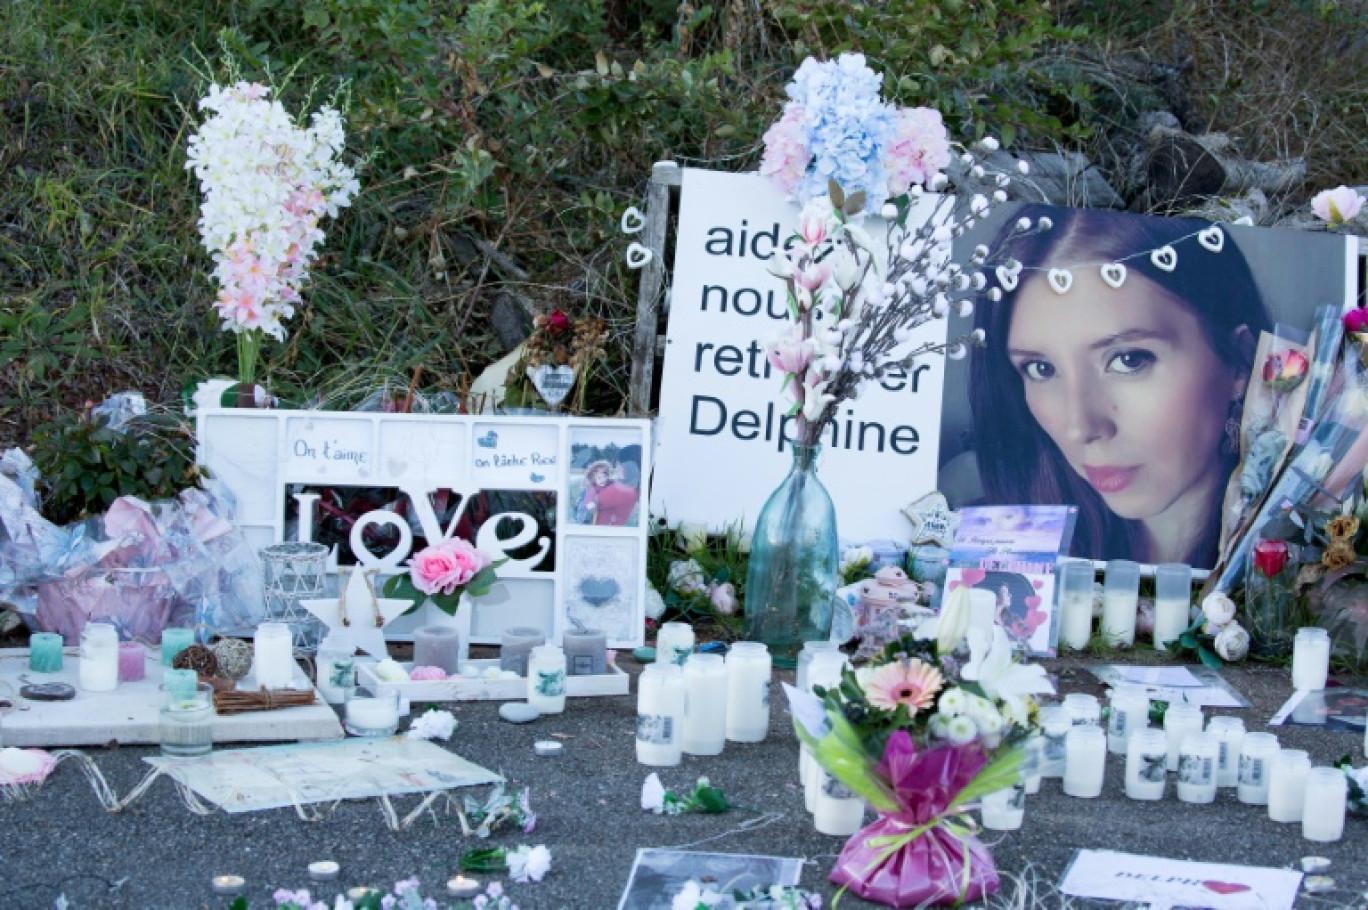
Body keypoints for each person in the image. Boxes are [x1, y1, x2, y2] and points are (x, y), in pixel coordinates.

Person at [969, 204, 1273, 567]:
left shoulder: (1314, 558)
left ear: (1240, 363)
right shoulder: (992, 547)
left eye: (1129, 360)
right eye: (1040, 368)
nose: (1080, 427)